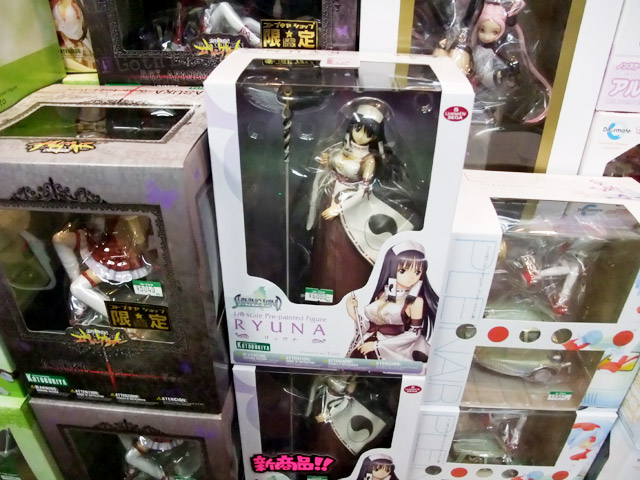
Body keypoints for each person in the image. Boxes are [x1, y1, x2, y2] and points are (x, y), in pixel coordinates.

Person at [306, 102, 413, 304]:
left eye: (368, 133)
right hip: (330, 199)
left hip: (350, 208)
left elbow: (364, 190)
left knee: (345, 253)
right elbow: (326, 169)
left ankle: (346, 294)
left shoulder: (369, 159)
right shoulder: (339, 149)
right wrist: (324, 164)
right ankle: (322, 292)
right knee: (325, 249)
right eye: (358, 129)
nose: (361, 136)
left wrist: (340, 207)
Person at [346, 240, 438, 362]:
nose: (411, 277)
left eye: (417, 272)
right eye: (403, 271)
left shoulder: (416, 301)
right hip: (369, 343)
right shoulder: (382, 294)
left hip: (396, 349)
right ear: (391, 268)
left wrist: (377, 345)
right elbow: (372, 326)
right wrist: (354, 314)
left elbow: (414, 334)